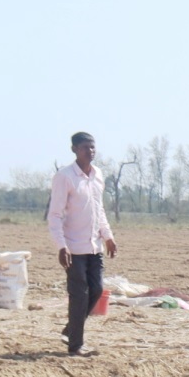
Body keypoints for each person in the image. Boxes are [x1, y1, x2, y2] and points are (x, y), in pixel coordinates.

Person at [47, 131, 118, 357]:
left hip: (94, 245)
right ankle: (75, 345)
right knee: (79, 294)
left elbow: (99, 210)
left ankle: (72, 328)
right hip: (73, 247)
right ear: (74, 150)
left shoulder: (97, 175)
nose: (91, 151)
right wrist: (61, 245)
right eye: (85, 147)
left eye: (93, 147)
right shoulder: (65, 177)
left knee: (96, 289)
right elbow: (55, 214)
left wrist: (108, 236)